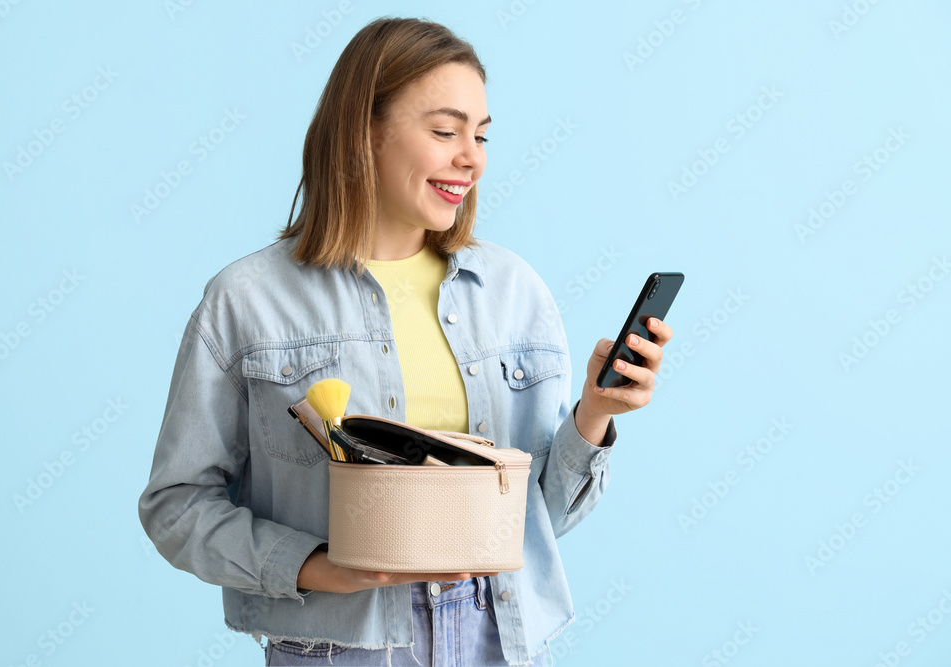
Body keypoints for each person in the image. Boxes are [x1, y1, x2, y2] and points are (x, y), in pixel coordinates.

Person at [138, 17, 674, 667]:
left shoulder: (514, 290)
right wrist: (312, 564)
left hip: (498, 639)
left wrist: (595, 415)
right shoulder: (247, 300)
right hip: (339, 648)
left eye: (480, 135)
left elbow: (542, 521)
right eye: (446, 131)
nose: (472, 156)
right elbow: (176, 505)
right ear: (365, 132)